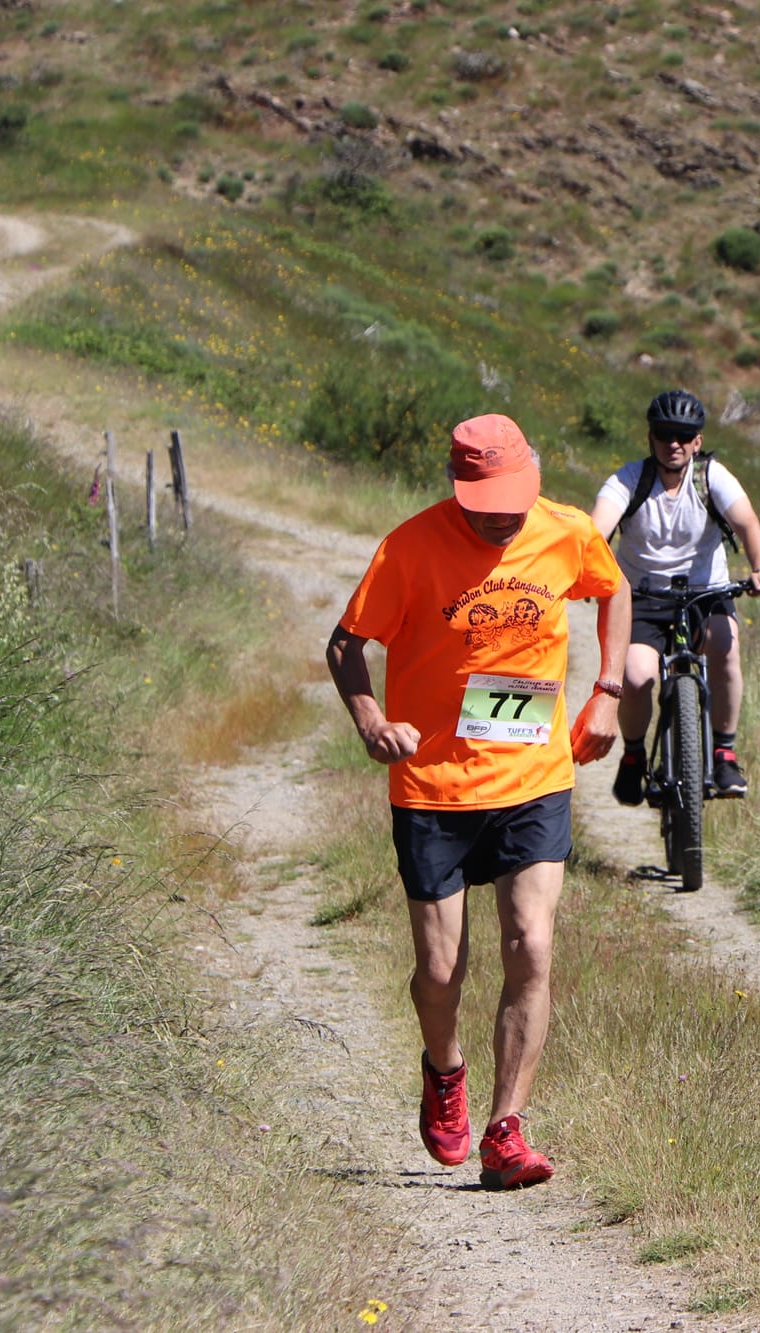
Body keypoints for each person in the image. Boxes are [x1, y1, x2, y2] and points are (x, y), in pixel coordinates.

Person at [325, 413, 630, 1191]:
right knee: (440, 967)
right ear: (457, 487)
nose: (503, 514)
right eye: (487, 499)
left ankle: (506, 1129)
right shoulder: (410, 547)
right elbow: (345, 643)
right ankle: (444, 1069)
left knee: (531, 942)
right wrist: (370, 720)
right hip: (433, 783)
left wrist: (607, 689)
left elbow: (613, 588)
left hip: (533, 778)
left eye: (514, 497)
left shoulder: (563, 530)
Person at [588, 389, 760, 806]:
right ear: (650, 437)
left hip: (705, 593)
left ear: (697, 440)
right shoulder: (629, 479)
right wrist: (584, 570)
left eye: (684, 435)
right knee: (636, 677)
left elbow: (748, 524)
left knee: (725, 647)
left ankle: (724, 751)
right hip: (642, 596)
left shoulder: (712, 477)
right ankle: (635, 755)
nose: (673, 443)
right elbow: (595, 531)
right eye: (663, 434)